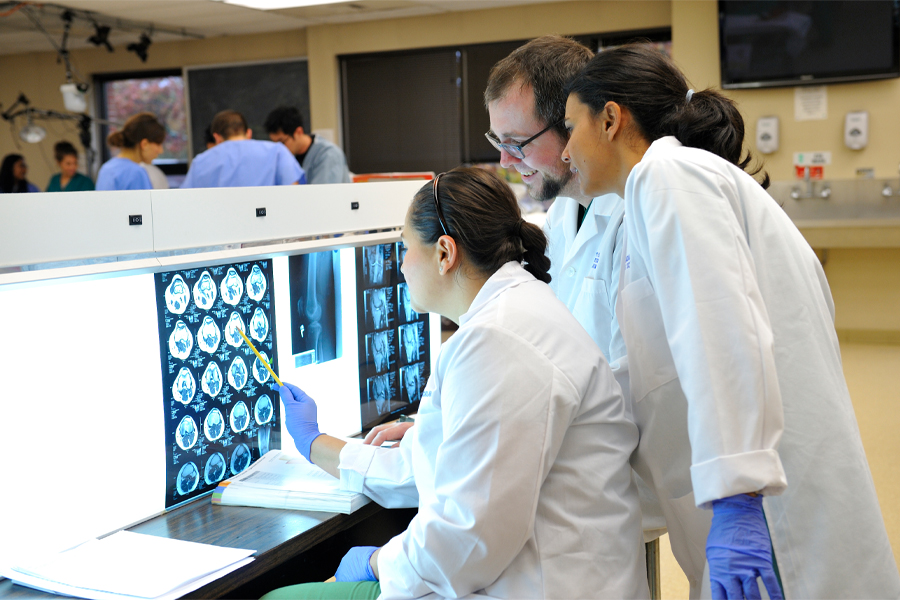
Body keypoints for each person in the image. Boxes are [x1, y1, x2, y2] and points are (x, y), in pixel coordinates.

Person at [562, 43, 900, 600]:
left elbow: (720, 330)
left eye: (571, 127)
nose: (566, 150)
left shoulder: (668, 176)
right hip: (747, 498)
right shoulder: (659, 192)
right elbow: (658, 368)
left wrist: (739, 496)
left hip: (770, 512)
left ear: (611, 118)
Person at [261, 167, 648, 600]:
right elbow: (425, 467)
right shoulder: (510, 313)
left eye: (404, 248)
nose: (401, 264)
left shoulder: (498, 342)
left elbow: (467, 540)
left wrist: (376, 563)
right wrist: (313, 441)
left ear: (445, 253)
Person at [181, 110, 305, 188]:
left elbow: (186, 203)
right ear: (249, 133)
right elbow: (294, 194)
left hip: (220, 227)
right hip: (269, 225)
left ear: (217, 138)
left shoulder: (200, 162)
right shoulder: (278, 152)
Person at [264, 106, 351, 184]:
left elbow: (321, 196)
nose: (279, 148)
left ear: (298, 132)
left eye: (282, 142)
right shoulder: (288, 157)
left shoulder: (328, 154)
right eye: (274, 144)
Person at [96, 113, 165, 191]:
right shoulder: (137, 173)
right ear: (144, 144)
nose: (161, 151)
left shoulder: (106, 168)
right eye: (158, 144)